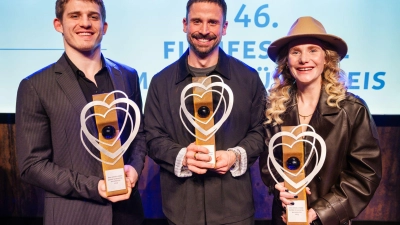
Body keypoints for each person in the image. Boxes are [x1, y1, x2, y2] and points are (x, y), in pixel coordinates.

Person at [15, 0, 146, 224]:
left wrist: (133, 168)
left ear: (104, 26)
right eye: (75, 16)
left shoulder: (128, 76)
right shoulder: (35, 86)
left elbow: (139, 136)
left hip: (127, 213)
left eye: (93, 17)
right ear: (58, 24)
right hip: (73, 215)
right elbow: (32, 165)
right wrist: (94, 186)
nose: (85, 23)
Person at [144, 0, 265, 224]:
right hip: (181, 211)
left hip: (235, 211)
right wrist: (182, 157)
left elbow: (260, 132)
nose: (204, 30)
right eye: (197, 21)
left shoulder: (248, 78)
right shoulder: (161, 82)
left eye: (213, 22)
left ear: (224, 27)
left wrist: (234, 155)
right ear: (185, 24)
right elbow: (152, 136)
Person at [259, 16, 382, 225]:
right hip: (284, 218)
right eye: (295, 52)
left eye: (312, 50)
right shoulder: (274, 109)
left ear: (327, 59)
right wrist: (277, 185)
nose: (304, 59)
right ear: (286, 62)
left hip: (330, 220)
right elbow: (268, 163)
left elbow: (365, 175)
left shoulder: (352, 110)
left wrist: (318, 212)